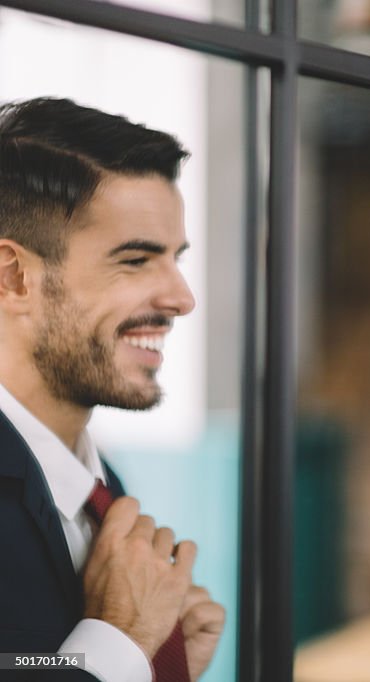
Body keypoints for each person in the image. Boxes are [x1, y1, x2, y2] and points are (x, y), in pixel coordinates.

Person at [0, 98, 224, 680]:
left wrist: (157, 667)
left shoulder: (99, 490)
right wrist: (118, 643)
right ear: (14, 277)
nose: (181, 298)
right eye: (136, 260)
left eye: (175, 259)